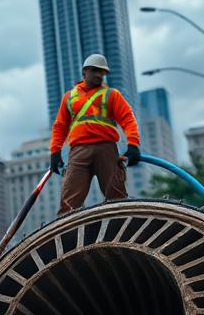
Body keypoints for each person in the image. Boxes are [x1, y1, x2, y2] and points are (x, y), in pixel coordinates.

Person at [49, 54, 141, 215]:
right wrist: (55, 152)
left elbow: (127, 119)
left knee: (116, 198)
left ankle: (120, 230)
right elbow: (60, 126)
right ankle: (68, 236)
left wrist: (133, 144)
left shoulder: (111, 95)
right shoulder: (69, 97)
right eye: (95, 71)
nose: (99, 75)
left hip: (106, 149)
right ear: (85, 72)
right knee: (69, 202)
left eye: (102, 72)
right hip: (78, 151)